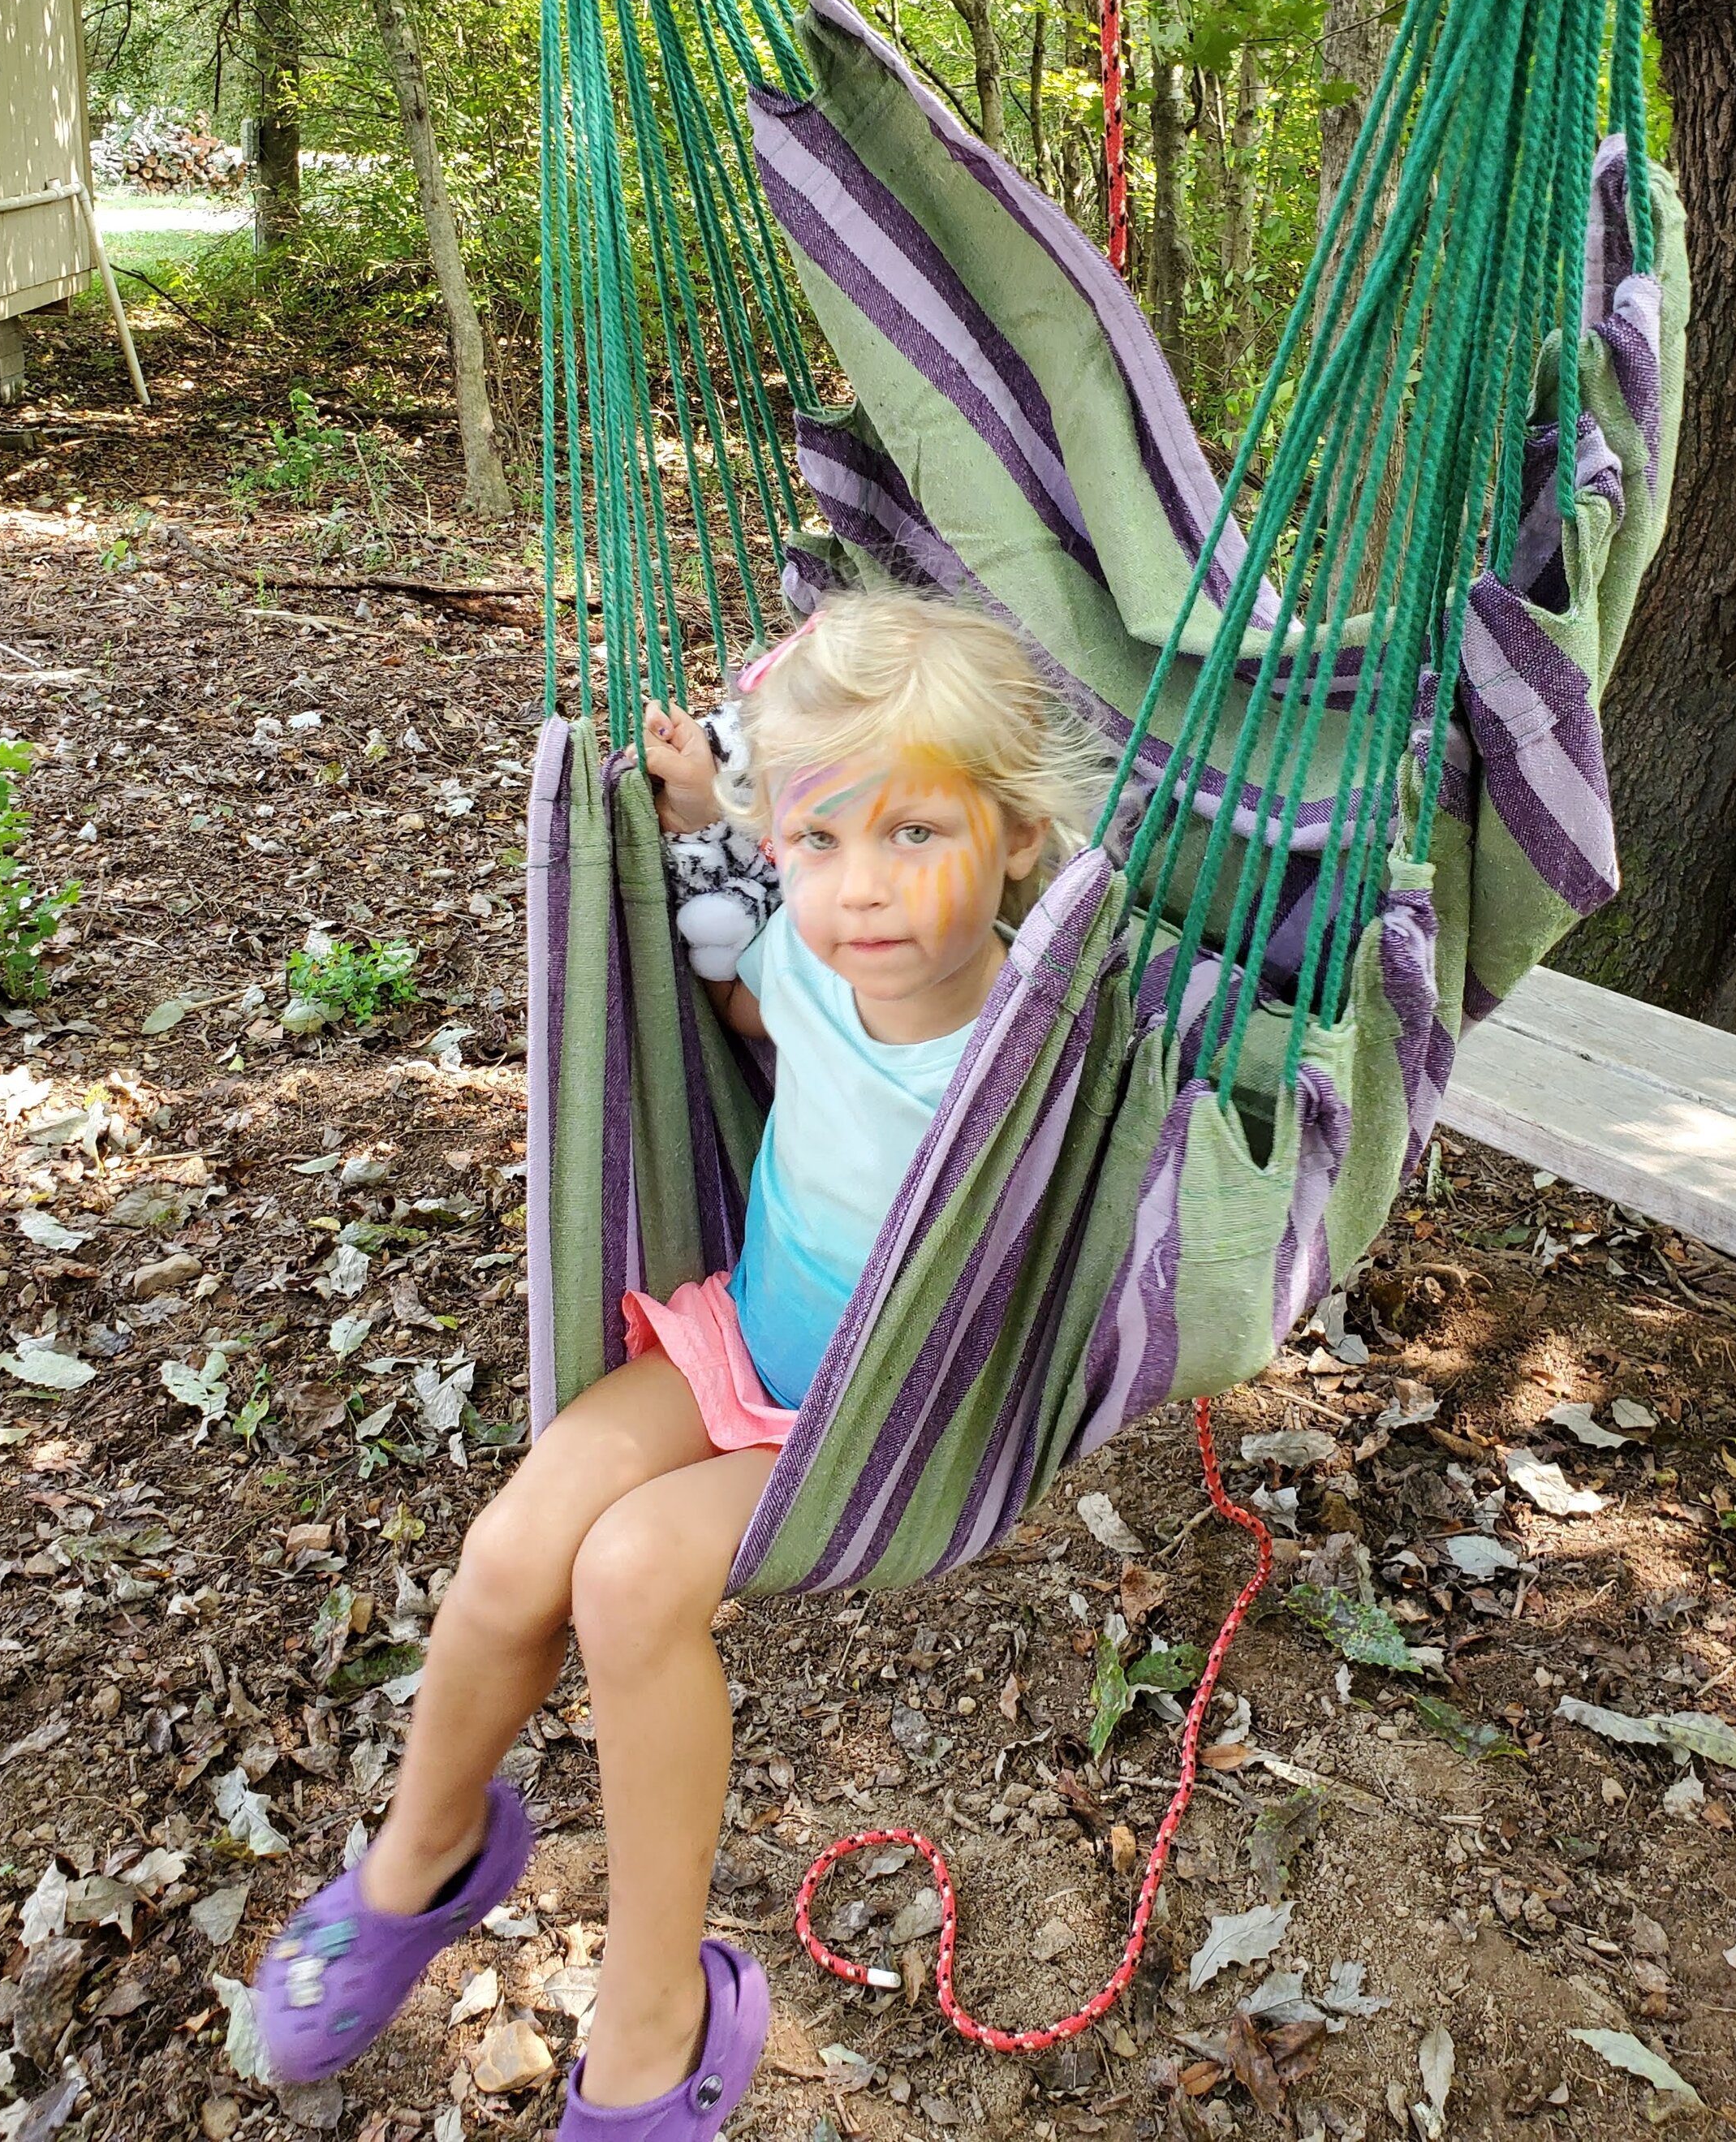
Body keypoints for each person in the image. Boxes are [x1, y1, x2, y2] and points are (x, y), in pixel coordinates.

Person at [252, 592, 1102, 2134]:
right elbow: (721, 991)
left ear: (1022, 838)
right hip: (736, 1342)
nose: (863, 892)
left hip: (874, 1424)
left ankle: (656, 2023)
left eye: (917, 833)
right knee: (517, 1540)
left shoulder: (1034, 1053)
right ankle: (417, 1866)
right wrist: (708, 815)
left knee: (632, 1574)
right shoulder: (804, 961)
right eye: (823, 841)